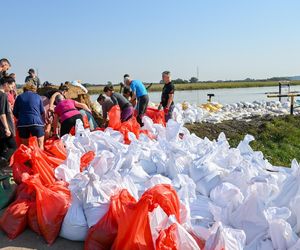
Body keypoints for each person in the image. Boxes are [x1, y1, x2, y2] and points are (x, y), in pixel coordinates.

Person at [13, 83, 45, 149]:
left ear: (24, 89)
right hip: (36, 123)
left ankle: (27, 159)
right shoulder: (38, 96)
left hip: (22, 124)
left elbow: (15, 112)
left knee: (25, 147)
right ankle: (39, 159)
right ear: (34, 89)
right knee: (40, 145)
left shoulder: (19, 97)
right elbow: (42, 111)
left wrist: (21, 118)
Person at [0, 77, 17, 163]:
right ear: (6, 84)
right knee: (13, 147)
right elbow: (2, 114)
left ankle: (3, 168)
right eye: (11, 87)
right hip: (3, 126)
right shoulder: (3, 95)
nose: (11, 89)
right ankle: (2, 162)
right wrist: (7, 128)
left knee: (3, 148)